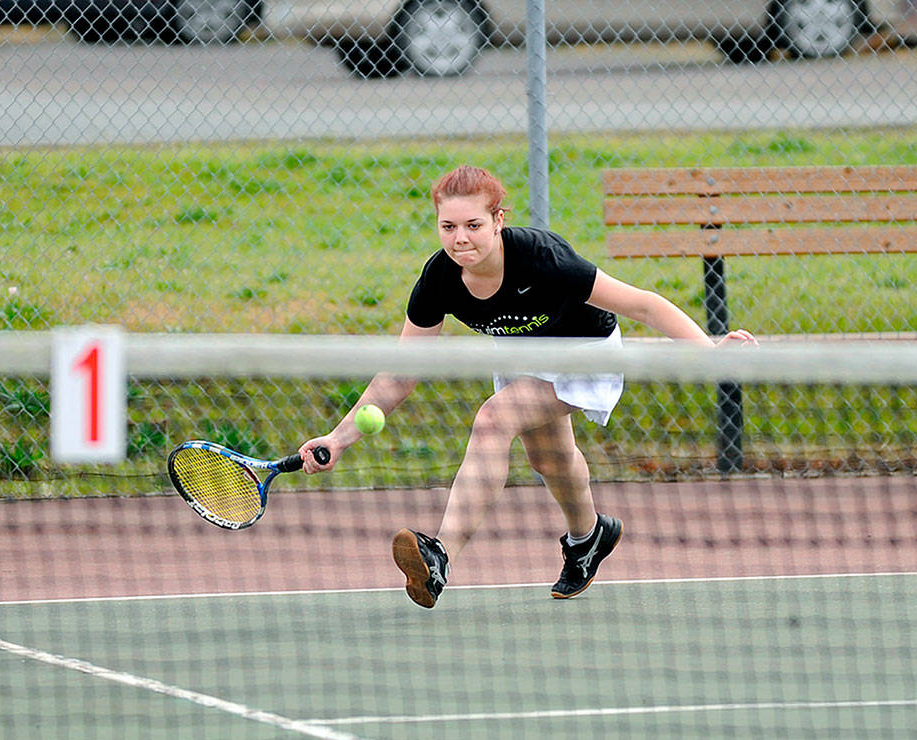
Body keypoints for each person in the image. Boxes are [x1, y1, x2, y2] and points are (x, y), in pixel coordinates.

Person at [300, 165, 755, 609]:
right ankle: (588, 536)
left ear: (499, 220)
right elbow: (402, 371)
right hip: (521, 357)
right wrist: (339, 439)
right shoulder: (439, 279)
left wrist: (711, 353)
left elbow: (645, 305)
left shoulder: (543, 258)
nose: (460, 238)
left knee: (495, 418)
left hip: (584, 350)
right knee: (549, 459)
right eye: (448, 226)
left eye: (474, 225)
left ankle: (441, 555)